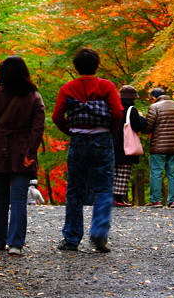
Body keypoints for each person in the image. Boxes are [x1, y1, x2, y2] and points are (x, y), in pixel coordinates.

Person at [0, 55, 45, 256]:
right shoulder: (34, 97)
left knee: (0, 197)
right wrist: (30, 152)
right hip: (23, 152)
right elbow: (38, 128)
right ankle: (15, 244)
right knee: (19, 198)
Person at [52, 48, 123, 253]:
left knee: (75, 189)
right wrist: (109, 129)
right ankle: (99, 231)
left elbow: (57, 116)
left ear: (76, 67)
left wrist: (70, 131)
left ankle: (72, 238)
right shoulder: (106, 86)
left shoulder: (68, 88)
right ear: (96, 65)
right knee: (103, 187)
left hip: (78, 139)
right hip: (101, 138)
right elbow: (117, 111)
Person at [144, 88, 174, 208]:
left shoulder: (155, 107)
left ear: (154, 98)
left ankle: (156, 200)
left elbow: (148, 127)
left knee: (156, 172)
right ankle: (173, 201)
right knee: (172, 172)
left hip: (158, 146)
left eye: (151, 99)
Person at [112, 85, 148, 207]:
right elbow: (139, 126)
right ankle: (118, 198)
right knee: (123, 171)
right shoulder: (131, 110)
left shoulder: (112, 107)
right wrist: (142, 118)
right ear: (132, 98)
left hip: (110, 144)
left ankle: (109, 198)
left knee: (111, 171)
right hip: (124, 144)